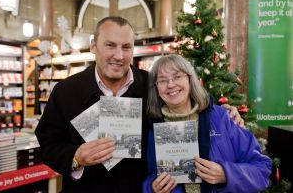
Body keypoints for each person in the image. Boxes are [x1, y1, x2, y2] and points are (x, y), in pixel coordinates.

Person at [35, 16, 244, 193]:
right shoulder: (66, 91)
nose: (119, 56)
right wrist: (76, 157)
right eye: (110, 45)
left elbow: (184, 107)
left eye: (126, 47)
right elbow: (48, 144)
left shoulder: (152, 84)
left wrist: (218, 112)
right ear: (93, 46)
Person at [142, 54, 272, 193]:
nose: (171, 84)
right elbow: (150, 175)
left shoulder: (221, 118)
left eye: (177, 76)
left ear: (190, 79)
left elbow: (262, 169)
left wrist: (226, 174)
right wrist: (152, 188)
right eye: (162, 80)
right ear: (156, 88)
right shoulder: (154, 128)